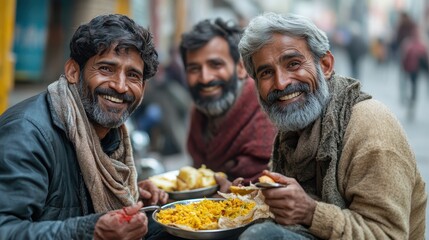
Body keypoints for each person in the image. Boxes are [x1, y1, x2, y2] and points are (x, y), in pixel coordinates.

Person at [235, 12, 427, 239]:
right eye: (266, 73)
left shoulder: (371, 130)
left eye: (294, 64)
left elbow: (388, 234)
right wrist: (249, 198)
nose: (281, 82)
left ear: (325, 65)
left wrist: (311, 212)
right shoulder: (293, 131)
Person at [0, 14, 168, 239]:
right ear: (73, 72)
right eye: (106, 69)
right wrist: (90, 230)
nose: (120, 86)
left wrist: (134, 200)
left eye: (133, 75)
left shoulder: (112, 138)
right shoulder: (27, 134)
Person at [179, 18, 277, 184]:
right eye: (194, 69)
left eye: (215, 65)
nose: (205, 78)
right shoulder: (198, 113)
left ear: (240, 68)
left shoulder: (266, 109)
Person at [400, 25, 429, 121]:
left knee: (412, 87)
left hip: (412, 70)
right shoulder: (420, 45)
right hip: (412, 70)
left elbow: (404, 56)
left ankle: (410, 102)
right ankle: (410, 101)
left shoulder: (409, 44)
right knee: (412, 87)